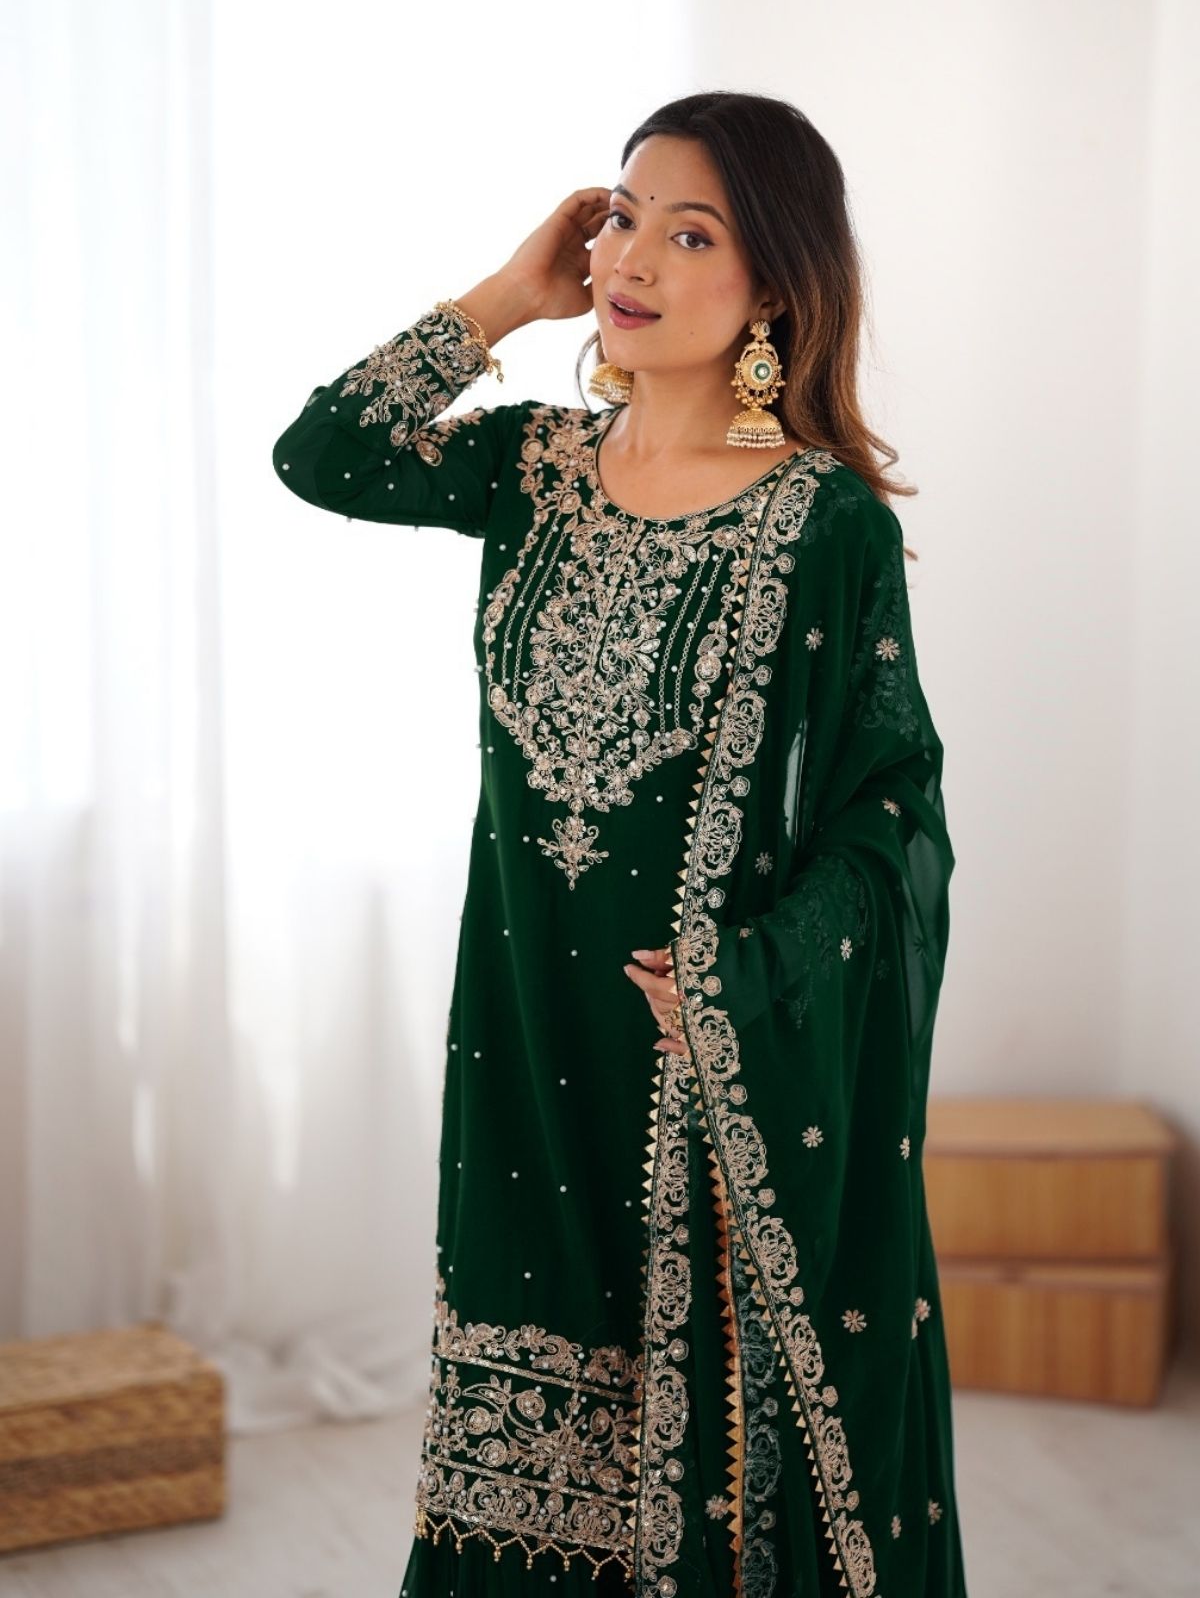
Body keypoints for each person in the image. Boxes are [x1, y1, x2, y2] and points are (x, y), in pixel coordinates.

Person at [272, 90, 967, 1598]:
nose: (634, 257)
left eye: (692, 231)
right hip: (524, 1037)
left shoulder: (818, 522)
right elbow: (321, 456)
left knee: (701, 1478)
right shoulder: (526, 470)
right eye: (624, 216)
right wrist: (508, 297)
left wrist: (752, 980)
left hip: (699, 1053)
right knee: (525, 1456)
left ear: (774, 287)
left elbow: (891, 808)